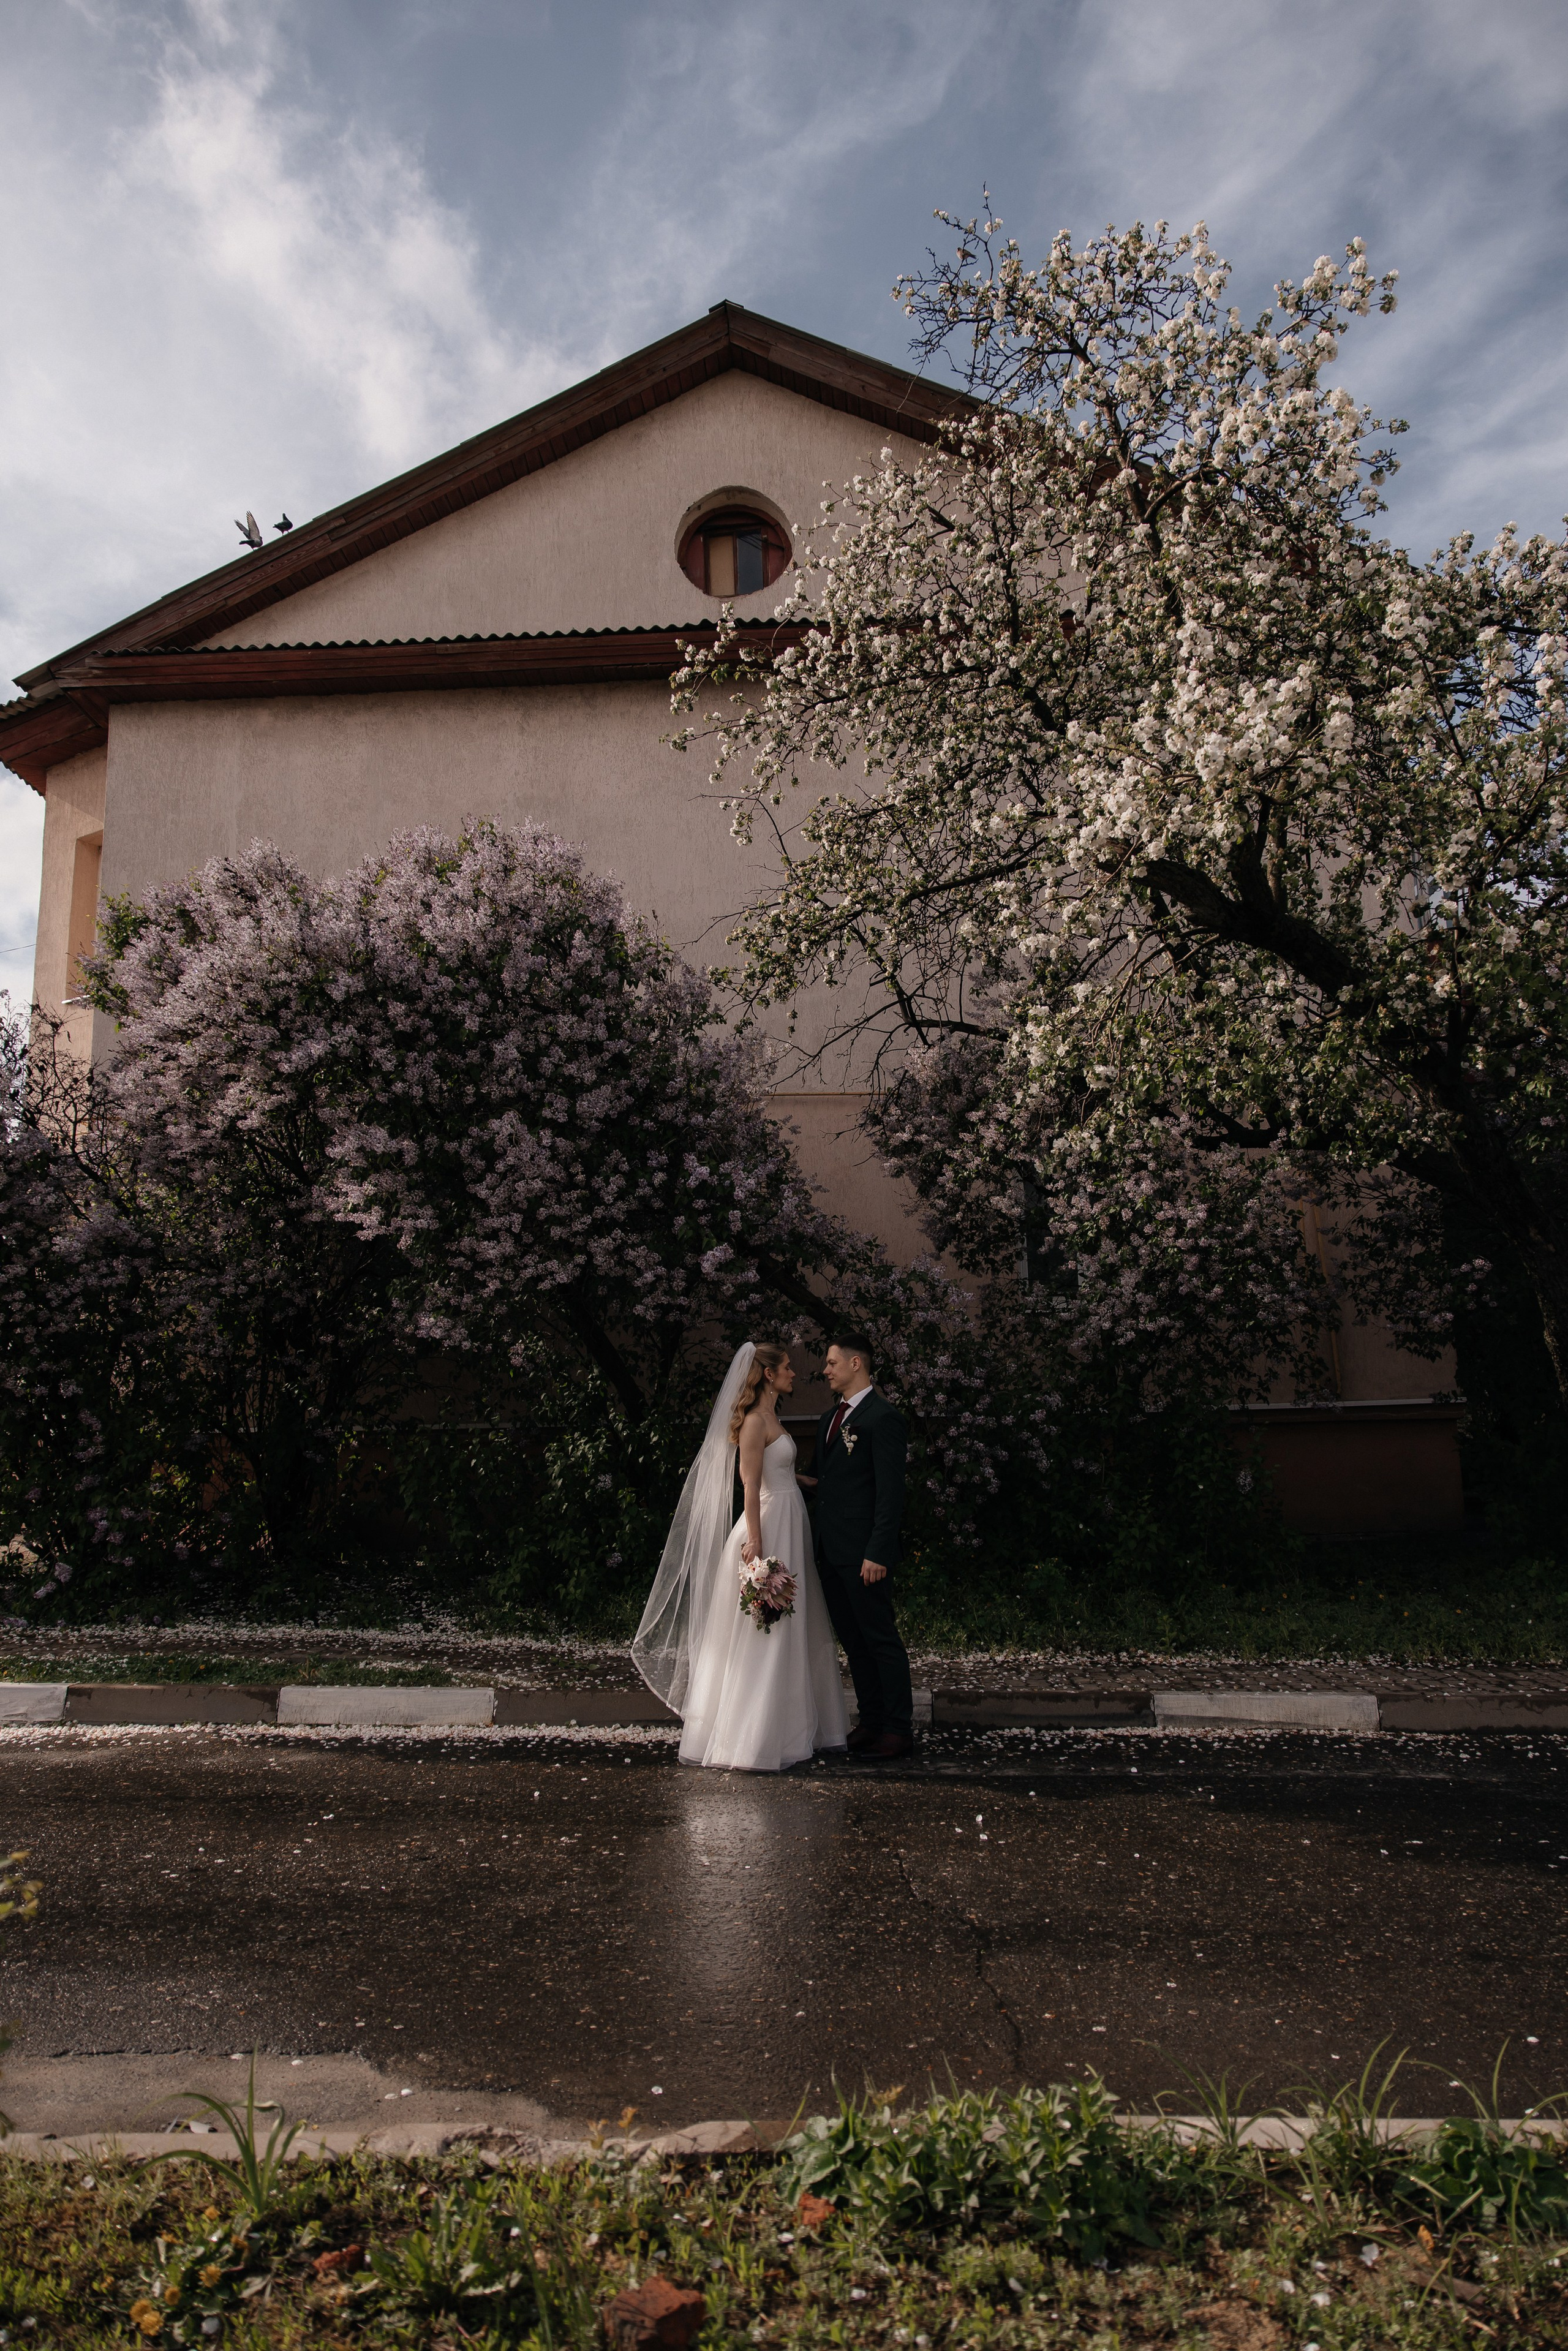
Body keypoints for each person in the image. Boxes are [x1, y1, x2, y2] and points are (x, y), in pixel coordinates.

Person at [631, 1342, 848, 1772]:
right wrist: (756, 1543)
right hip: (768, 1527)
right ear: (768, 1374)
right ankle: (754, 1739)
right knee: (767, 1629)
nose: (793, 1374)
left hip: (789, 1520)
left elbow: (775, 1470)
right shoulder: (752, 1421)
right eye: (786, 1368)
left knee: (791, 1625)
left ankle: (788, 1728)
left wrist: (801, 1478)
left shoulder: (773, 1417)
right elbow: (750, 1485)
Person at [806, 1330, 913, 1760]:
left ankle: (898, 1728)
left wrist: (878, 1552)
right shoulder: (828, 1419)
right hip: (830, 1551)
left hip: (864, 1553)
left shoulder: (882, 1417)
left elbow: (890, 1494)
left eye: (832, 1363)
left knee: (880, 1639)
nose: (826, 1370)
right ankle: (870, 1721)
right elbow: (824, 1482)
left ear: (856, 1364)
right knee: (853, 1641)